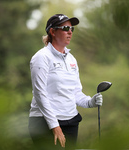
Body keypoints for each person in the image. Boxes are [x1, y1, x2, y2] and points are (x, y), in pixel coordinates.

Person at [28, 14, 103, 150]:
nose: (70, 32)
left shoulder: (71, 59)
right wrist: (54, 126)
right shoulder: (41, 57)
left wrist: (90, 102)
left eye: (71, 29)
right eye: (65, 28)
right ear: (53, 32)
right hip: (44, 123)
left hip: (71, 121)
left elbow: (75, 92)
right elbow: (40, 93)